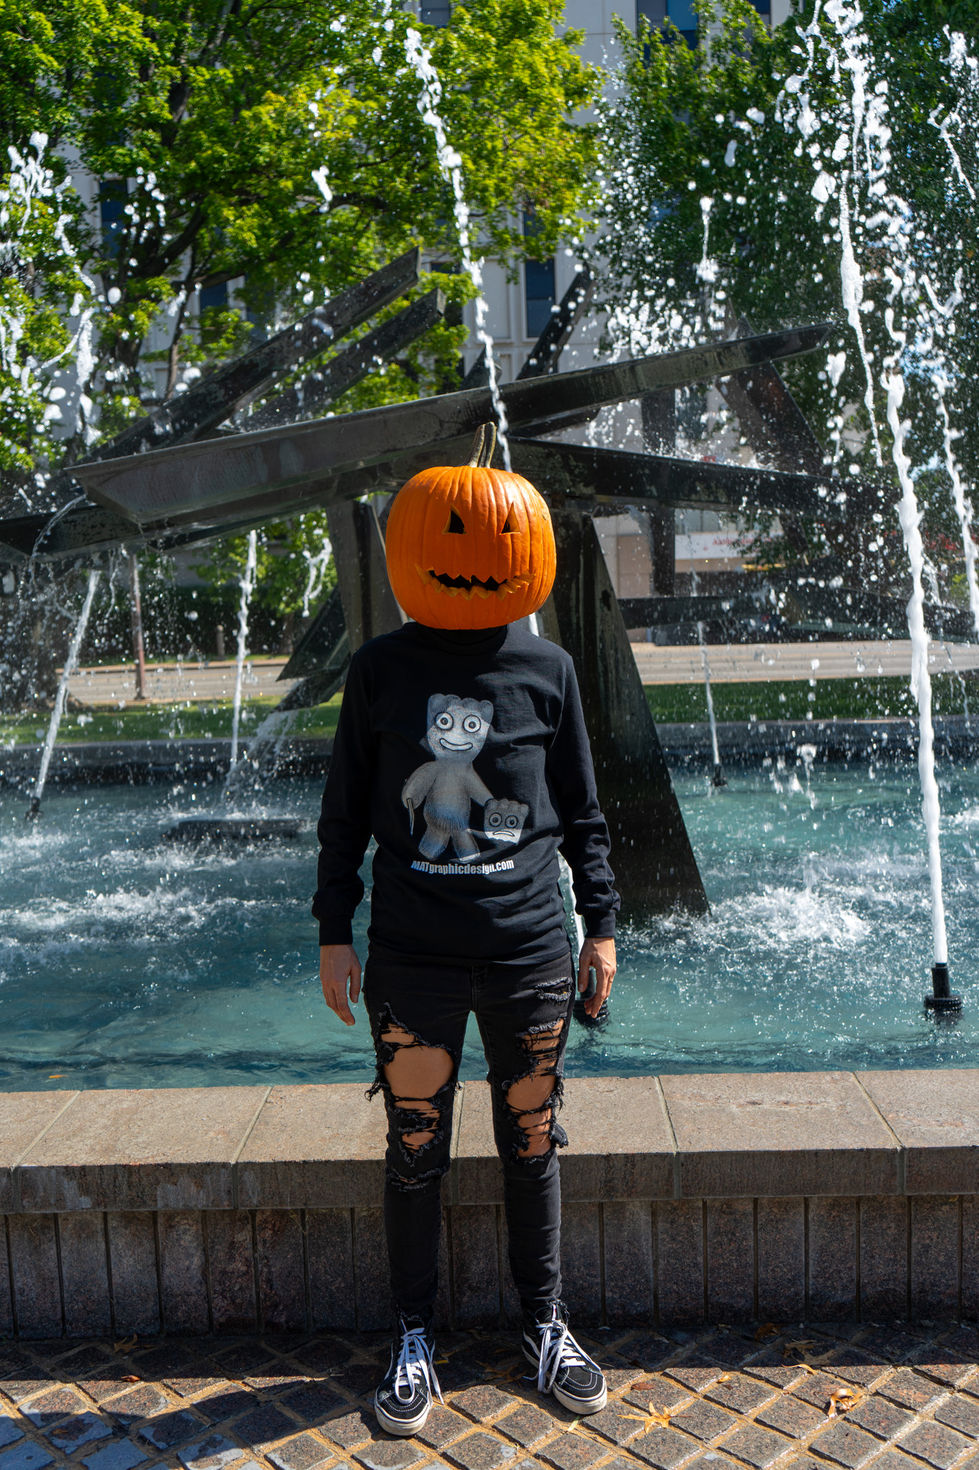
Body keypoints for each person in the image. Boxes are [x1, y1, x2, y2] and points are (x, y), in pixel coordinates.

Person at [313, 430, 619, 1437]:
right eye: (449, 531)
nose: (475, 545)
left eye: (493, 532)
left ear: (524, 549)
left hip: (531, 948)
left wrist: (602, 926)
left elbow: (581, 811)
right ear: (409, 549)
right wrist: (333, 930)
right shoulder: (381, 672)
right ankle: (412, 1335)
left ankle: (546, 1325)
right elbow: (347, 814)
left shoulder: (547, 670)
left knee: (532, 1138)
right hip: (413, 955)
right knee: (415, 1145)